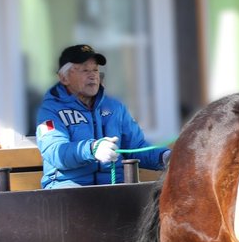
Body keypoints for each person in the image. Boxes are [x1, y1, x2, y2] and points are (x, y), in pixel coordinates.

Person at [36, 44, 169, 188]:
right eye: (85, 70)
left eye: (95, 69)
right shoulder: (49, 111)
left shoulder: (115, 107)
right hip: (68, 190)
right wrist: (92, 149)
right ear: (64, 78)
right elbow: (56, 152)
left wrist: (165, 157)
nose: (93, 75)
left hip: (115, 189)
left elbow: (136, 147)